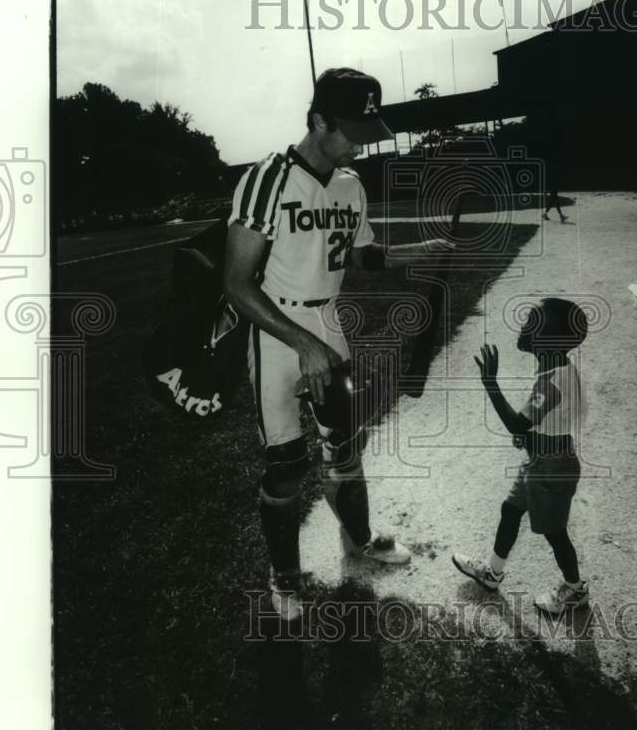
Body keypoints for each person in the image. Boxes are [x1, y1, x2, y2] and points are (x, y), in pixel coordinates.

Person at [224, 67, 454, 619]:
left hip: (330, 326)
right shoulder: (267, 180)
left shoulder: (351, 185)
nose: (358, 144)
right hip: (276, 334)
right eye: (348, 130)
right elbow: (235, 284)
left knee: (345, 448)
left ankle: (358, 539)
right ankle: (284, 575)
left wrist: (412, 252)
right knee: (285, 462)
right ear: (318, 119)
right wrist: (303, 345)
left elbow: (357, 253)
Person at [452, 298, 590, 614]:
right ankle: (492, 573)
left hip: (552, 470)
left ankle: (575, 590)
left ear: (548, 338)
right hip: (540, 462)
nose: (524, 325)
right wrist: (528, 436)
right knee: (510, 511)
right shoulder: (555, 367)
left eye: (532, 321)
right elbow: (542, 422)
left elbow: (518, 421)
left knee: (556, 535)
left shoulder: (553, 381)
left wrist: (490, 383)